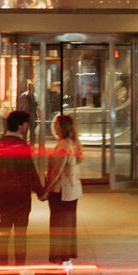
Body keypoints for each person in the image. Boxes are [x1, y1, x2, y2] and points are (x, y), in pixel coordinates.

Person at [0, 110, 44, 268]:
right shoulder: (21, 145)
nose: (27, 126)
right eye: (26, 123)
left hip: (4, 195)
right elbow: (30, 173)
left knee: (4, 228)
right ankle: (19, 266)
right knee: (20, 233)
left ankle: (2, 265)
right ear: (20, 126)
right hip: (21, 196)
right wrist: (41, 192)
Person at [41, 113, 84, 266]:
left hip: (62, 191)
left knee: (58, 226)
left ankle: (60, 258)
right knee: (68, 226)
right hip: (73, 191)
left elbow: (57, 170)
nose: (54, 126)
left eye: (57, 124)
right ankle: (66, 257)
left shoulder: (64, 146)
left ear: (63, 127)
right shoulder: (72, 143)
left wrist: (47, 189)